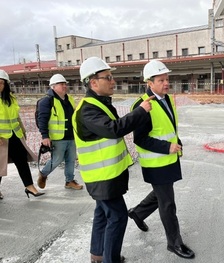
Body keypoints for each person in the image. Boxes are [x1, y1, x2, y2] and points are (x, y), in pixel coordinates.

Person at [72, 57, 154, 263]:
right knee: (117, 217)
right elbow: (114, 129)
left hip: (106, 175)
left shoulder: (99, 104)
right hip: (102, 177)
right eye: (108, 77)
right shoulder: (87, 109)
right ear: (93, 82)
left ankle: (97, 255)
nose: (113, 81)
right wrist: (141, 111)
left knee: (102, 214)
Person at [129, 60, 195, 259]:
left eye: (167, 79)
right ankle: (174, 243)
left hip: (168, 159)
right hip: (156, 163)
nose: (166, 83)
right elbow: (139, 139)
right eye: (161, 80)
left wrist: (176, 142)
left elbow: (167, 127)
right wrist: (167, 147)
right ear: (150, 83)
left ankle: (138, 213)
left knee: (161, 195)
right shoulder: (143, 106)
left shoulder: (166, 99)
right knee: (167, 203)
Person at [0, 69, 44, 199]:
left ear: (6, 84)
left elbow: (17, 117)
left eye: (1, 83)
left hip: (14, 135)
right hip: (1, 138)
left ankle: (29, 186)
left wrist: (23, 131)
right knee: (0, 166)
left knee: (22, 161)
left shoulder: (11, 99)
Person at [37, 74, 83, 190]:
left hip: (71, 136)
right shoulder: (46, 101)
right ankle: (43, 174)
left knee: (71, 159)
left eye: (65, 84)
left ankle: (69, 181)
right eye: (61, 84)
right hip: (57, 137)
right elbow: (42, 119)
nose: (64, 86)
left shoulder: (70, 99)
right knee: (56, 160)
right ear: (53, 87)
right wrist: (45, 136)